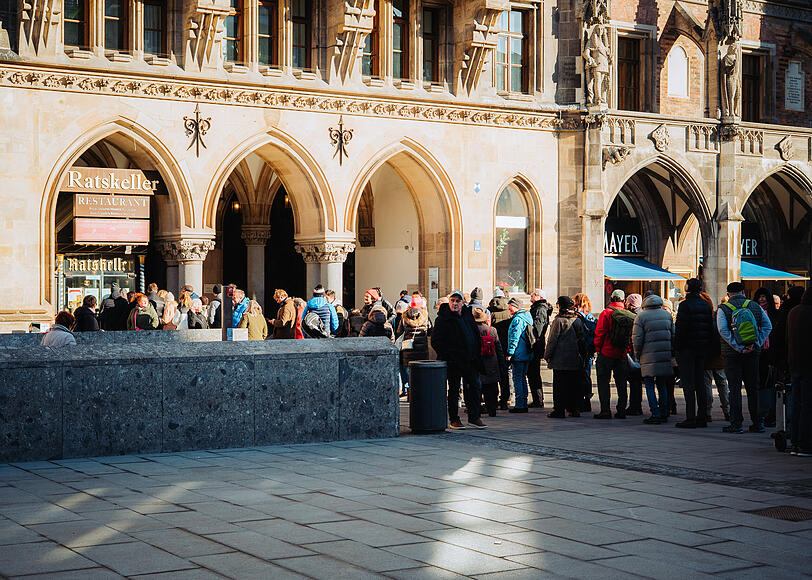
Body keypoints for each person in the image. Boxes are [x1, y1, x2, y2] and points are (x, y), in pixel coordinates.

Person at [717, 282, 772, 434]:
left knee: (734, 389)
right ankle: (757, 422)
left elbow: (722, 330)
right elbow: (768, 326)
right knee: (753, 388)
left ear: (728, 294)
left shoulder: (724, 308)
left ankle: (736, 424)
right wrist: (757, 343)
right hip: (753, 353)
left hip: (732, 354)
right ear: (743, 292)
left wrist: (738, 347)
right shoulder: (755, 306)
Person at [432, 290, 486, 429]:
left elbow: (475, 335)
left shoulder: (467, 316)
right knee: (454, 390)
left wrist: (477, 352)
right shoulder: (443, 318)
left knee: (474, 387)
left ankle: (474, 417)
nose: (455, 303)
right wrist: (448, 355)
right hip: (453, 361)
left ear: (463, 303)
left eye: (457, 301)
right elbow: (436, 341)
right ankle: (454, 419)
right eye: (452, 301)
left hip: (470, 360)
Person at [674, 278, 714, 428]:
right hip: (701, 348)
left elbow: (681, 329)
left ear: (687, 288)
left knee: (689, 384)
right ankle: (702, 416)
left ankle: (690, 417)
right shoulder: (705, 305)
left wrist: (677, 347)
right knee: (700, 383)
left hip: (687, 349)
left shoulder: (685, 305)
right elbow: (710, 327)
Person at [633, 293, 675, 425]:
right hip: (664, 355)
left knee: (649, 385)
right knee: (662, 384)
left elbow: (637, 338)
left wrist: (637, 354)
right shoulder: (667, 315)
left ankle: (655, 413)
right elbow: (673, 335)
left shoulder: (641, 317)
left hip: (648, 355)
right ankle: (664, 412)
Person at [544, 296, 587, 418]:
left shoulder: (559, 321)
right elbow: (582, 339)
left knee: (559, 386)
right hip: (575, 358)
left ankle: (559, 410)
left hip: (560, 359)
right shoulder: (577, 320)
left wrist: (547, 355)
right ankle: (574, 409)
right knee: (573, 385)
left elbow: (552, 340)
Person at [593, 289, 634, 419]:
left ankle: (605, 410)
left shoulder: (606, 313)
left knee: (603, 382)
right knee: (622, 383)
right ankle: (621, 410)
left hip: (606, 352)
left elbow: (600, 332)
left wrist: (598, 348)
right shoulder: (628, 315)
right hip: (621, 353)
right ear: (623, 300)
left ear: (611, 298)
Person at [787, 288, 812, 456]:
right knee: (807, 406)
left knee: (796, 404)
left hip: (795, 364)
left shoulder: (794, 312)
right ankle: (805, 444)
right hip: (808, 365)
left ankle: (795, 442)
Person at [700, 291, 730, 422]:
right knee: (722, 383)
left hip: (706, 355)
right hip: (719, 354)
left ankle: (707, 412)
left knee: (707, 384)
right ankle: (727, 410)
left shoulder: (702, 318)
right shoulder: (717, 316)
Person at [473, 307, 506, 417]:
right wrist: (501, 363)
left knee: (477, 388)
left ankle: (476, 410)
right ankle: (492, 409)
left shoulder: (471, 330)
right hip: (491, 361)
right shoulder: (492, 330)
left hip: (477, 362)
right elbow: (498, 348)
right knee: (491, 388)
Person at [753, 287, 779, 427]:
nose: (762, 299)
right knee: (760, 382)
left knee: (768, 383)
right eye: (760, 297)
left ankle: (768, 412)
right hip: (757, 351)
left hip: (770, 352)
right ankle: (762, 412)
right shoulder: (753, 312)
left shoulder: (775, 314)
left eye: (764, 297)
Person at [506, 297, 534, 413]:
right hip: (526, 353)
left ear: (515, 306)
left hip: (519, 354)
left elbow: (514, 337)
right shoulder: (527, 317)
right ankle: (523, 403)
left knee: (517, 379)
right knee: (522, 378)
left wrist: (510, 352)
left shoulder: (518, 319)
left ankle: (520, 405)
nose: (509, 308)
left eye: (510, 306)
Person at [398, 302, 431, 398]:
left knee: (409, 373)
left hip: (408, 350)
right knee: (421, 372)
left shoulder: (404, 318)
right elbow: (430, 331)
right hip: (422, 350)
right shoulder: (425, 317)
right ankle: (421, 393)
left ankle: (410, 394)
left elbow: (399, 332)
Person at [489, 287, 512, 410]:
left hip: (493, 345)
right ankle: (505, 400)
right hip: (505, 344)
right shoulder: (508, 311)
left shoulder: (490, 311)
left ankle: (492, 399)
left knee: (492, 373)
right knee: (505, 374)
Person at [528, 289, 552, 408]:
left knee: (533, 372)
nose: (531, 296)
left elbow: (538, 328)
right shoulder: (538, 308)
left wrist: (530, 335)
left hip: (536, 344)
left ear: (539, 297)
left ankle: (538, 399)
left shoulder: (540, 309)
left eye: (534, 294)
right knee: (533, 372)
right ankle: (537, 399)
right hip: (536, 343)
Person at [574, 293, 597, 412]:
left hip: (580, 349)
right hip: (590, 349)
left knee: (579, 375)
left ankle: (579, 401)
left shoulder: (578, 316)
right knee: (587, 375)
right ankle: (587, 400)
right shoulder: (591, 316)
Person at [623, 294, 644, 416]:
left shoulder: (631, 316)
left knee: (634, 380)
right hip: (642, 352)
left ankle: (634, 406)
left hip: (634, 351)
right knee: (637, 381)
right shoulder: (643, 314)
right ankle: (637, 405)